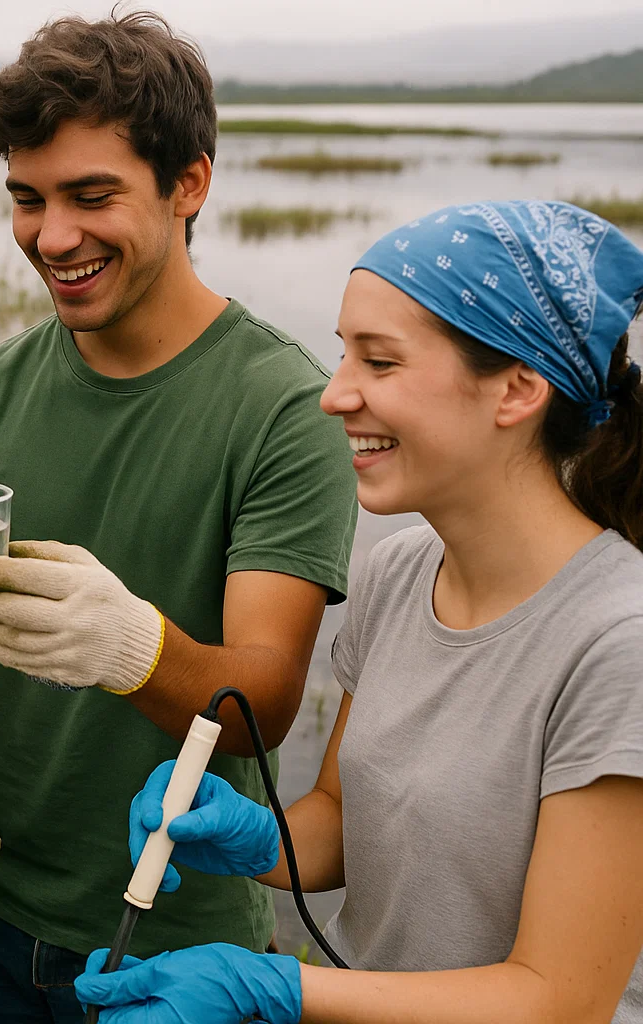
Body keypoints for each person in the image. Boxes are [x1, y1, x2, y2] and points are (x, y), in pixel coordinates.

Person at [0, 12, 359, 1023]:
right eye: (27, 199)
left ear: (189, 183)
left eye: (91, 195)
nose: (52, 237)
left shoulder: (282, 407)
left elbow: (267, 696)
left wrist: (132, 647)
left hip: (173, 935)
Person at [82, 200, 643, 1023]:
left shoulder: (616, 642)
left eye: (379, 364)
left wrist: (275, 986)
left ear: (518, 389)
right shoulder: (398, 574)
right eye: (345, 356)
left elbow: (557, 999)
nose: (333, 394)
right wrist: (252, 834)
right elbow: (345, 823)